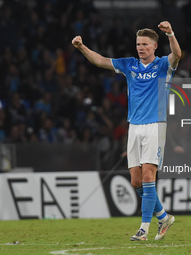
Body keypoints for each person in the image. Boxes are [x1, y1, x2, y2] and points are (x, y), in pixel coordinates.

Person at [72, 21, 181, 241]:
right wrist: (82, 47)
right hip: (134, 126)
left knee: (149, 175)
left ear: (154, 47)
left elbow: (177, 54)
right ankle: (163, 216)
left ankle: (143, 229)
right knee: (136, 181)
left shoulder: (162, 65)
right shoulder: (129, 64)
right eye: (138, 44)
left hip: (155, 125)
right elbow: (101, 61)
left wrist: (170, 33)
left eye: (145, 44)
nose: (140, 48)